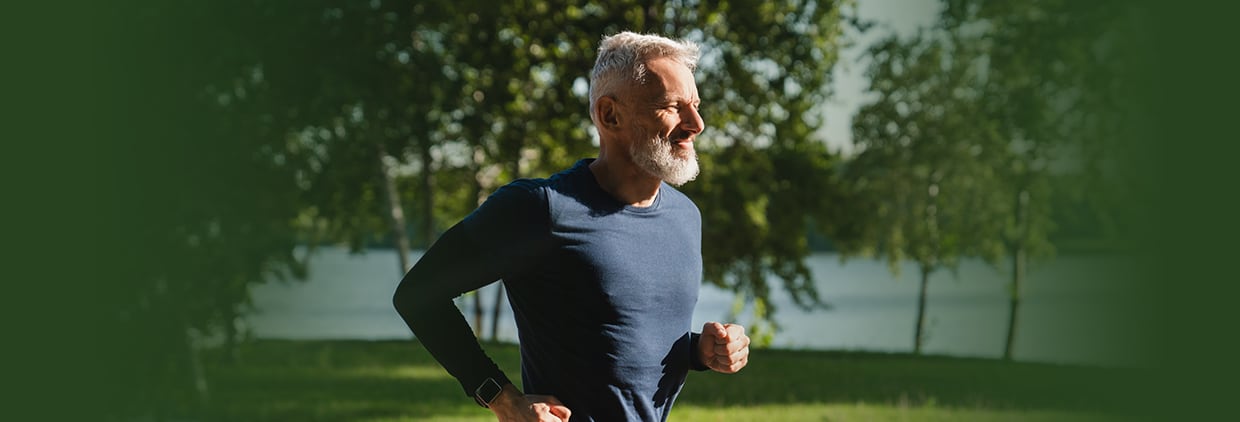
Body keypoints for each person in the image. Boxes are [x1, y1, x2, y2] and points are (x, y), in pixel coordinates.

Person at [393, 31, 750, 422]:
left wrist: (701, 350)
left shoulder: (684, 216)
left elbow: (626, 341)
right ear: (609, 115)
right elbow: (418, 295)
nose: (695, 123)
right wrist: (501, 396)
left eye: (696, 105)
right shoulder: (541, 208)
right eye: (671, 106)